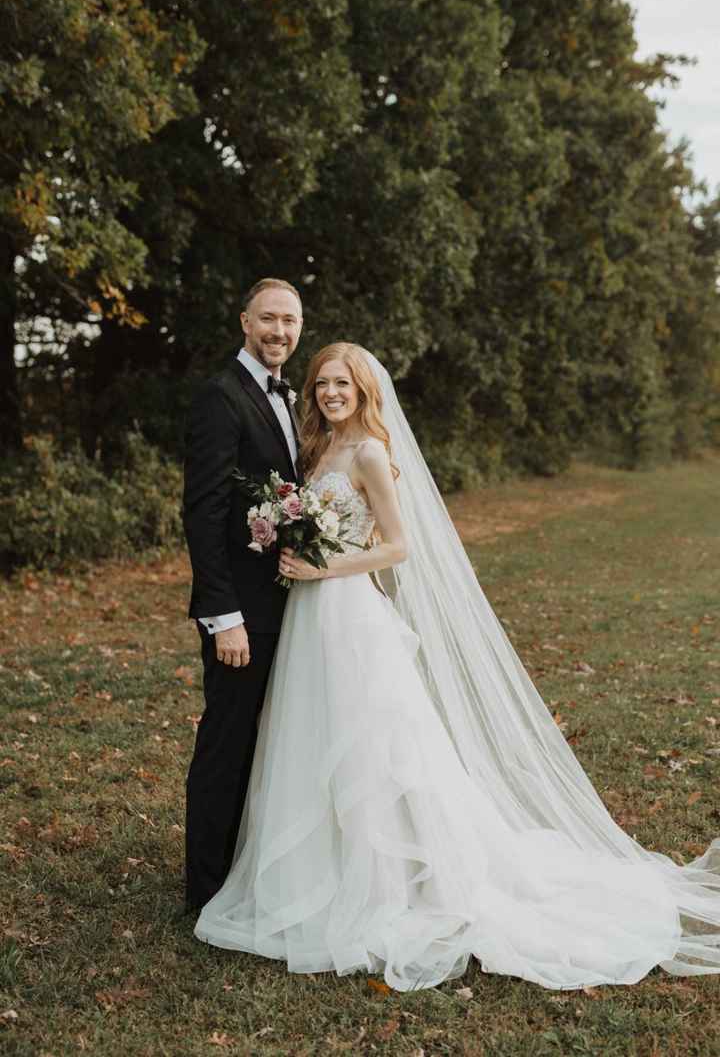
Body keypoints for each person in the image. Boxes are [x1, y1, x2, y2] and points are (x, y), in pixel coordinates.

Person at [194, 342, 720, 991]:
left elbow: (398, 546)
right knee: (314, 739)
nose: (331, 392)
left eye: (342, 383)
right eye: (322, 382)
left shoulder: (369, 454)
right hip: (309, 614)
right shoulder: (318, 451)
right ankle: (318, 870)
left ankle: (391, 879)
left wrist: (323, 564)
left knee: (371, 748)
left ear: (363, 389)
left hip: (349, 613)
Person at [182, 277, 303, 912]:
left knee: (274, 742)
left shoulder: (290, 397)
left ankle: (251, 872)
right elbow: (202, 515)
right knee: (227, 743)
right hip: (241, 616)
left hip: (289, 605)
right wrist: (222, 617)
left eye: (289, 320)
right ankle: (204, 892)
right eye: (268, 319)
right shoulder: (220, 397)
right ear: (244, 322)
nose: (279, 331)